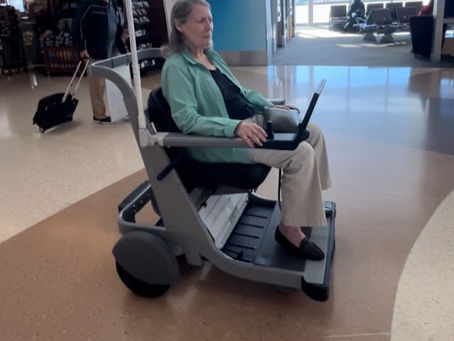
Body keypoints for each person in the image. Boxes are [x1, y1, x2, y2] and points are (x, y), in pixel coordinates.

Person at [161, 0, 332, 261]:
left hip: (248, 123)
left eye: (210, 20)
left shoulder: (211, 56)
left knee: (313, 132)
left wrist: (268, 104)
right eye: (201, 21)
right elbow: (188, 120)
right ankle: (289, 229)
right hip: (226, 139)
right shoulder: (176, 68)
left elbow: (239, 93)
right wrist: (236, 127)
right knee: (301, 153)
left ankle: (305, 206)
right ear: (179, 25)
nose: (209, 26)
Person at [72, 0, 127, 123]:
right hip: (94, 51)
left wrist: (122, 33)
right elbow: (77, 25)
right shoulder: (88, 3)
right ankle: (99, 115)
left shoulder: (112, 4)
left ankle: (121, 111)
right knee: (98, 85)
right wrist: (82, 47)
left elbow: (116, 23)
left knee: (119, 82)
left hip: (113, 49)